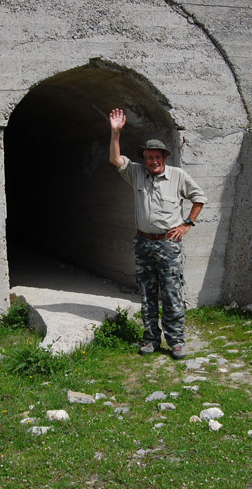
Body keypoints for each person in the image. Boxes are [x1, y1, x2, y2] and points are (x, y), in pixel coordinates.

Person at [108, 108, 207, 359]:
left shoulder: (177, 176)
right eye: (149, 157)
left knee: (172, 293)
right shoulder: (137, 173)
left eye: (157, 157)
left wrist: (186, 224)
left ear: (164, 158)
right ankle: (151, 339)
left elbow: (199, 199)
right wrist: (115, 132)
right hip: (143, 243)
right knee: (147, 295)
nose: (153, 161)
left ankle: (176, 342)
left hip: (168, 244)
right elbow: (115, 159)